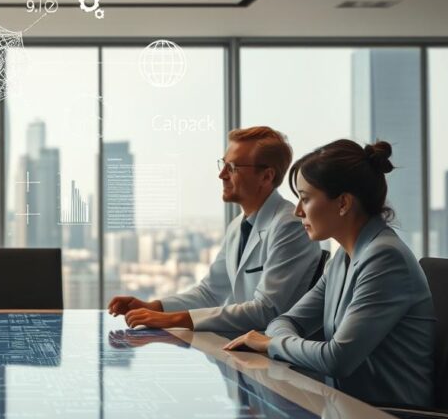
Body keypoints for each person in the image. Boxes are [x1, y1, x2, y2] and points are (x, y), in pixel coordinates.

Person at [223, 140, 435, 408]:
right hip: (348, 411)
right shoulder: (343, 258)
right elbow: (286, 320)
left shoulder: (384, 259)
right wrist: (275, 339)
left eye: (306, 198)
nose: (298, 210)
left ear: (343, 203)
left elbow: (336, 358)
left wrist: (270, 344)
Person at [108, 126, 321, 333]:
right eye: (223, 164)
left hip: (276, 359)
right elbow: (209, 293)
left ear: (266, 177)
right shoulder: (238, 226)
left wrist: (170, 319)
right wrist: (152, 307)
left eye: (233, 167)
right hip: (244, 350)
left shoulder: (290, 226)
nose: (222, 175)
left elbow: (266, 310)